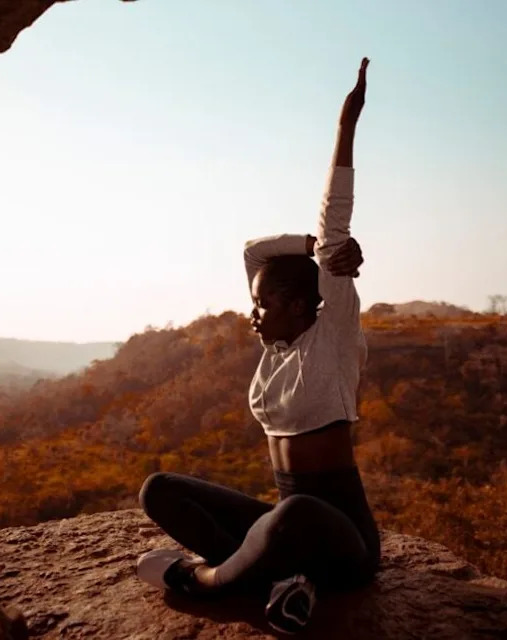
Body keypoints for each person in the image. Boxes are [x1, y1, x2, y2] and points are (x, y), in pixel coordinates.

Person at [137, 58, 378, 634]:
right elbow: (253, 252)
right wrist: (308, 245)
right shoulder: (273, 350)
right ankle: (283, 584)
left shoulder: (334, 336)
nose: (253, 313)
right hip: (287, 529)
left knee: (290, 515)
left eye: (263, 305)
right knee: (159, 490)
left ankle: (206, 582)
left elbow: (335, 221)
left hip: (338, 536)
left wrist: (346, 129)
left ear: (301, 304)